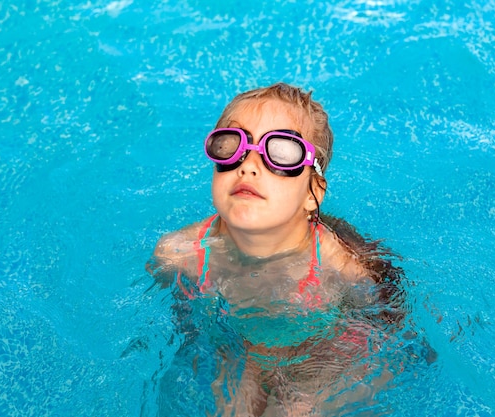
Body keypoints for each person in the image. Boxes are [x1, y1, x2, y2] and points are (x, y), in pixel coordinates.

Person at [146, 82, 407, 416]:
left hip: (320, 348)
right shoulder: (181, 254)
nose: (249, 165)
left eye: (281, 152)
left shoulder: (342, 263)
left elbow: (387, 323)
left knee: (297, 407)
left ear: (313, 192)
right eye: (231, 145)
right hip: (239, 341)